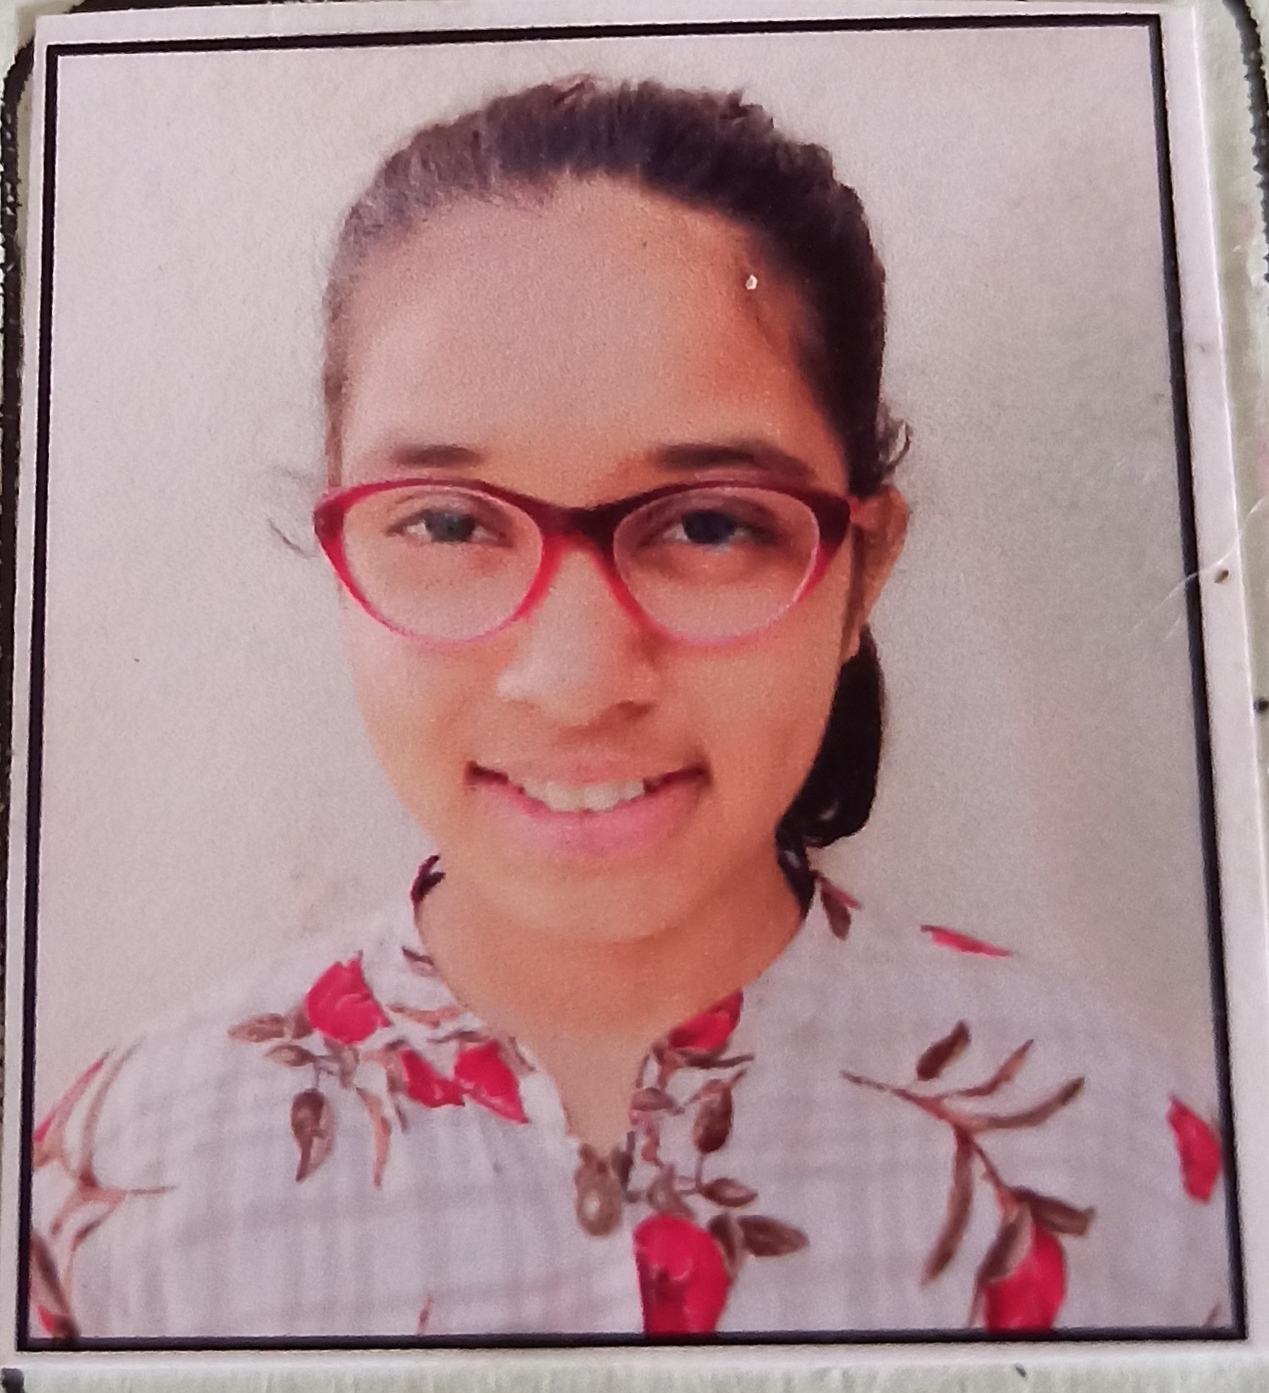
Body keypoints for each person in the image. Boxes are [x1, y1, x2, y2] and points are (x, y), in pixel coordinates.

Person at [29, 76, 1230, 1342]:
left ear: (861, 572)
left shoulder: (1121, 1158)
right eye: (449, 523)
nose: (576, 679)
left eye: (709, 525)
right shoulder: (122, 1191)